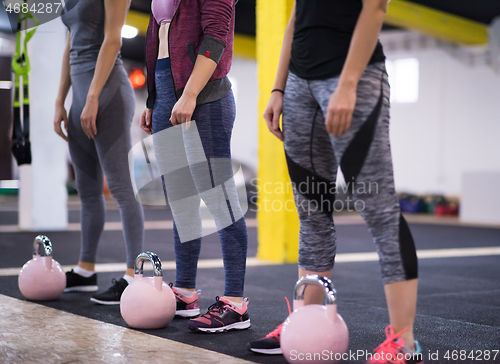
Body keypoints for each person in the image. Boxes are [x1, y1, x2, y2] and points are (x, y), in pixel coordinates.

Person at [248, 1, 422, 363]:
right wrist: (278, 89)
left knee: (380, 212)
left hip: (352, 77)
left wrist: (348, 83)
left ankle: (404, 344)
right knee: (311, 211)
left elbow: (375, 8)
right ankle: (305, 322)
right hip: (298, 83)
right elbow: (298, 15)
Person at [140, 0, 250, 332]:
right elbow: (157, 40)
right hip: (165, 95)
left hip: (204, 98)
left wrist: (188, 94)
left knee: (221, 200)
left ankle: (236, 303)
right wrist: (152, 99)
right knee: (181, 201)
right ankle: (185, 292)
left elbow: (217, 34)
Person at [54, 0, 145, 305]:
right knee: (87, 190)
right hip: (81, 94)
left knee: (121, 188)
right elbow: (71, 45)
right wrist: (60, 101)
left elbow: (114, 39)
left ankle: (135, 274)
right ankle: (85, 270)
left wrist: (92, 96)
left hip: (107, 92)